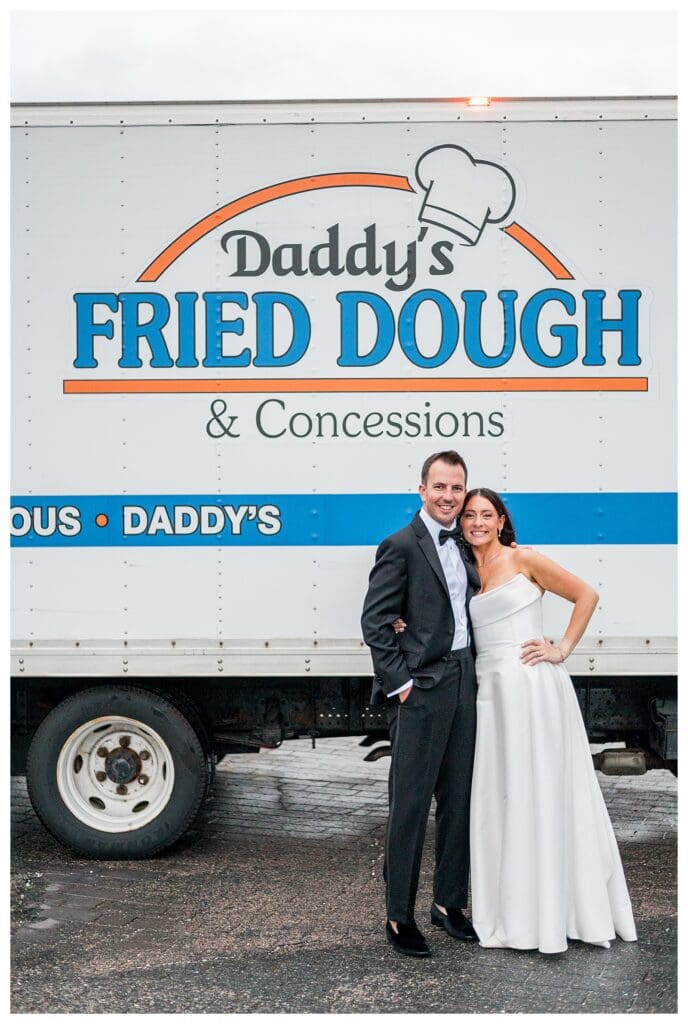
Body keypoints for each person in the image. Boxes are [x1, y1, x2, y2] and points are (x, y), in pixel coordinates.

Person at [457, 487, 638, 954]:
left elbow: (586, 594)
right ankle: (517, 911)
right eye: (469, 515)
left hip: (532, 687)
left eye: (486, 514)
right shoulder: (464, 571)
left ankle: (562, 911)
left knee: (545, 790)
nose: (477, 522)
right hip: (491, 693)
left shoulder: (524, 559)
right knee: (504, 796)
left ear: (500, 521)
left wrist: (561, 649)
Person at [361, 450, 480, 958]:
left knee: (458, 802)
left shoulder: (471, 545)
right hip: (422, 691)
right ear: (421, 490)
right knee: (409, 806)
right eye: (440, 487)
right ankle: (398, 915)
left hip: (465, 684)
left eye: (457, 488)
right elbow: (374, 622)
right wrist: (402, 685)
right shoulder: (401, 546)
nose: (449, 497)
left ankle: (450, 905)